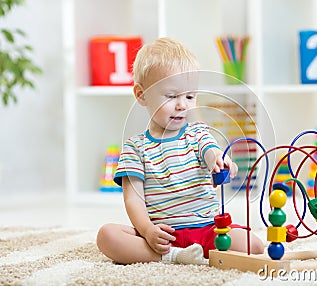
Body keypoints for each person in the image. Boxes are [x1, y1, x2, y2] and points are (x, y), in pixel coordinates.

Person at [96, 37, 264, 265]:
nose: (182, 105)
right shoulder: (135, 148)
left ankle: (186, 254)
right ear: (142, 95)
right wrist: (147, 231)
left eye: (190, 96)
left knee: (253, 245)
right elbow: (133, 200)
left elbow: (211, 151)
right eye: (172, 96)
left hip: (207, 230)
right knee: (107, 236)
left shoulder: (197, 133)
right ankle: (172, 256)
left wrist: (218, 160)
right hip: (162, 236)